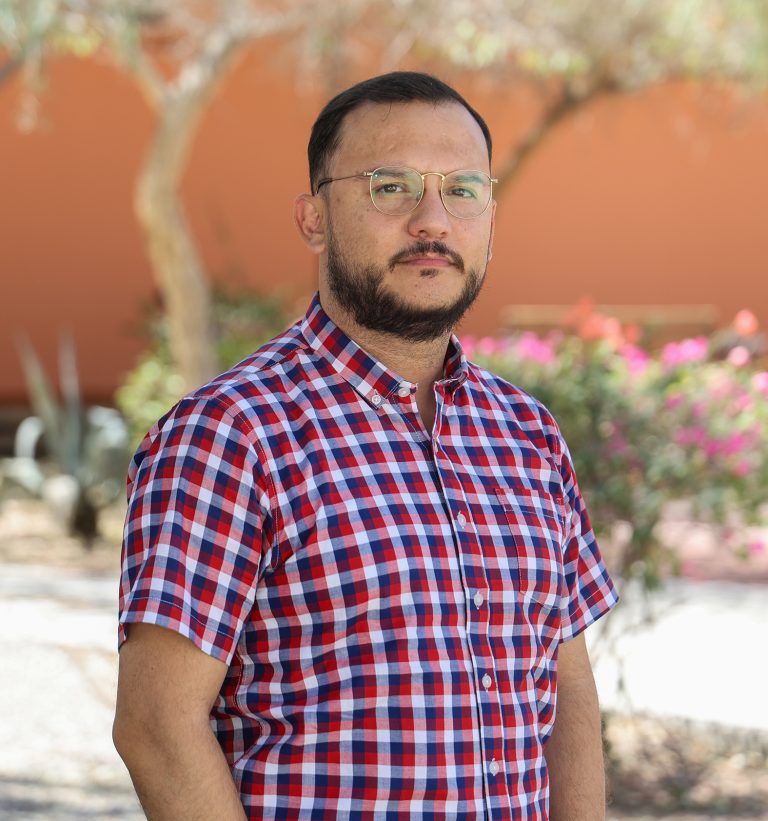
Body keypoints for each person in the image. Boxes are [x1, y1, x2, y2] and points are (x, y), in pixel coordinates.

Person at [113, 71, 618, 821]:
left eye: (462, 190)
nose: (432, 221)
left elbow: (567, 689)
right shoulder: (229, 436)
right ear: (313, 218)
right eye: (391, 187)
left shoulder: (528, 436)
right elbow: (156, 727)